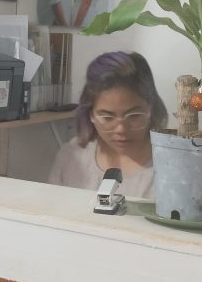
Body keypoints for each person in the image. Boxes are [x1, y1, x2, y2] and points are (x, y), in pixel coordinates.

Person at [47, 51, 167, 199]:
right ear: (91, 114)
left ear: (150, 108)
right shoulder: (72, 157)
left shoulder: (170, 167)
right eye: (107, 117)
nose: (121, 129)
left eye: (134, 116)